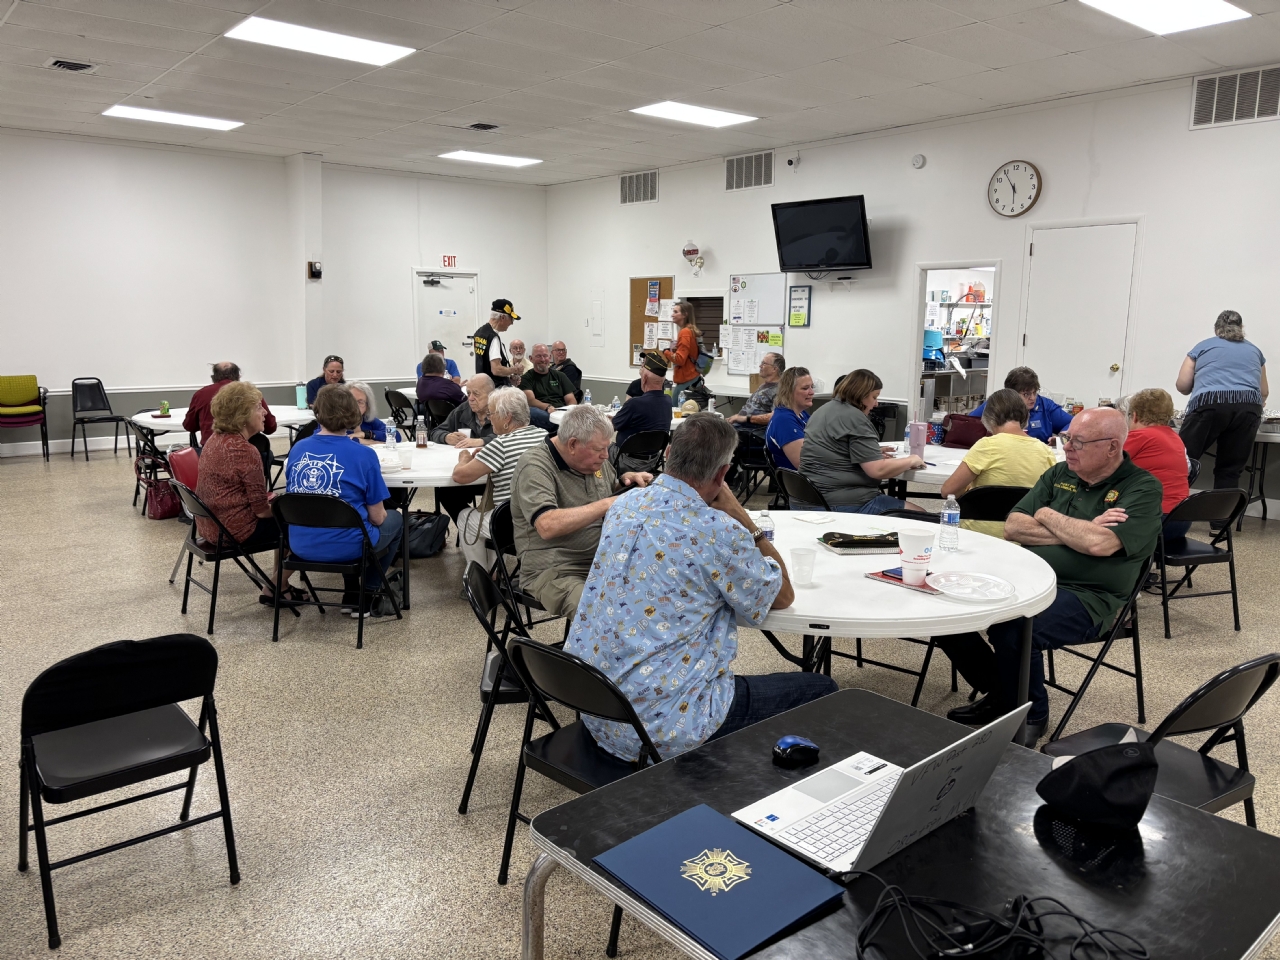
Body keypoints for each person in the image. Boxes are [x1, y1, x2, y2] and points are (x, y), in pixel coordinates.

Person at [566, 414, 836, 761]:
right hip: (662, 729)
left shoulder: (623, 506)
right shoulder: (719, 531)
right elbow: (782, 596)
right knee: (824, 688)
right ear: (723, 475)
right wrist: (742, 517)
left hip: (597, 707)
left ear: (668, 454)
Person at [934, 408, 1162, 746]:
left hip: (1090, 596)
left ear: (1112, 447)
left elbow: (1100, 544)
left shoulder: (1142, 488)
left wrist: (1045, 515)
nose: (1067, 447)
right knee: (945, 609)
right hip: (1027, 578)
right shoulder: (1059, 473)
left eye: (1078, 442)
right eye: (1067, 437)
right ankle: (1003, 694)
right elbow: (1014, 526)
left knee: (1014, 628)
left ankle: (1031, 715)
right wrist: (1079, 528)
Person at [510, 405, 652, 619]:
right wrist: (608, 503)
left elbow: (607, 491)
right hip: (554, 571)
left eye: (607, 447)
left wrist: (626, 482)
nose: (606, 455)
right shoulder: (535, 466)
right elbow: (547, 525)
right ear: (573, 444)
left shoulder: (594, 462)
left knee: (659, 590)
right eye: (598, 449)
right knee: (600, 614)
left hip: (602, 559)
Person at [284, 384, 404, 619]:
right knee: (395, 520)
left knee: (347, 521)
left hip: (300, 543)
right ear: (354, 414)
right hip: (348, 546)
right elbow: (377, 517)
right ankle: (368, 591)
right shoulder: (364, 454)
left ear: (317, 412)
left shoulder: (298, 449)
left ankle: (351, 591)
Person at [194, 381, 301, 607]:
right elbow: (261, 512)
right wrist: (288, 509)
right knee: (300, 525)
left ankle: (279, 586)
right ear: (242, 415)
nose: (264, 412)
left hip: (210, 526)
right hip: (235, 530)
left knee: (283, 519)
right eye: (258, 407)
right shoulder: (245, 451)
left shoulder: (214, 440)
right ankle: (276, 587)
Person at [799, 369, 926, 514]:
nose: (876, 404)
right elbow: (877, 470)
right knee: (922, 516)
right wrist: (911, 460)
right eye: (874, 397)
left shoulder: (822, 411)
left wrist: (869, 453)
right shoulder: (856, 418)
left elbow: (832, 450)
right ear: (861, 395)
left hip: (807, 498)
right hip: (840, 503)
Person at [940, 388, 1057, 538]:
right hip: (1023, 538)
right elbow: (1052, 498)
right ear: (1025, 416)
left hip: (977, 536)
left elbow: (947, 491)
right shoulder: (1045, 451)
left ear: (989, 417)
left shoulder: (986, 446)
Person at [452, 387, 547, 571]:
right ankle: (495, 572)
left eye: (491, 413)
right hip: (541, 516)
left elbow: (460, 476)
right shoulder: (543, 435)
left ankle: (482, 577)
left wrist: (464, 458)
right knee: (490, 515)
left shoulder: (500, 445)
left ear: (507, 417)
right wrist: (487, 454)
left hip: (513, 525)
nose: (489, 418)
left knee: (465, 518)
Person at [1177, 310, 1268, 497]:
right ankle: (1221, 516)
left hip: (1210, 404)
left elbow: (1183, 386)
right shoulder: (1255, 351)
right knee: (1230, 470)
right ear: (1241, 328)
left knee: (1181, 461)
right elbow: (1264, 392)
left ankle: (1170, 509)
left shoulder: (1202, 347)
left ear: (1216, 329)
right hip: (1248, 408)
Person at [1123, 388, 1191, 541]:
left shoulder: (1139, 436)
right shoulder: (1175, 437)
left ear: (1134, 416)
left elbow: (1102, 466)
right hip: (1181, 519)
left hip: (1154, 520)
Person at [184, 362, 277, 449]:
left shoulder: (200, 394)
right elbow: (270, 427)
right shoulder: (250, 393)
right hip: (248, 446)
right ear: (238, 376)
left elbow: (189, 426)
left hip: (211, 447)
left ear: (214, 377)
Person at [971, 367, 1072, 443]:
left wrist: (1062, 437)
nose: (1033, 398)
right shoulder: (996, 404)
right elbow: (968, 423)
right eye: (1026, 394)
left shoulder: (1045, 405)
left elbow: (1072, 423)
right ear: (1011, 394)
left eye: (1035, 392)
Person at [611, 352, 672, 447]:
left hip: (625, 454)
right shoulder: (668, 402)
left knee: (599, 451)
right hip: (655, 454)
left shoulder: (634, 404)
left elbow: (611, 427)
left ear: (644, 378)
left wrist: (604, 420)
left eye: (642, 367)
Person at [765, 366, 814, 471]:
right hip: (801, 478)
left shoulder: (801, 414)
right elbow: (805, 465)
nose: (812, 392)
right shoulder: (784, 420)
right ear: (789, 391)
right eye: (805, 388)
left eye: (812, 387)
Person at [430, 374, 495, 448]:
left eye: (476, 394)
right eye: (468, 393)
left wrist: (482, 441)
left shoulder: (501, 411)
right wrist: (446, 437)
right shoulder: (462, 410)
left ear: (491, 394)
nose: (470, 398)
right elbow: (434, 432)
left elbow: (506, 437)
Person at [728, 352, 785, 430]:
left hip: (751, 430)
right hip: (740, 426)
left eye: (764, 363)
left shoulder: (779, 390)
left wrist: (745, 418)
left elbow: (775, 417)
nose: (760, 366)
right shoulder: (764, 385)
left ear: (774, 369)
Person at [662, 300, 701, 406]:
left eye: (676, 312)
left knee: (674, 411)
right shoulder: (691, 330)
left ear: (684, 315)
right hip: (693, 378)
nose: (672, 315)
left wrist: (666, 352)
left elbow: (680, 359)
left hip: (686, 379)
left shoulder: (684, 332)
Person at [473, 299, 522, 383]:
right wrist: (515, 369)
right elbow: (496, 370)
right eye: (511, 319)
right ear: (502, 317)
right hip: (495, 387)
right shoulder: (493, 337)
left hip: (483, 384)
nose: (512, 323)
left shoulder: (480, 333)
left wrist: (508, 379)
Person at [521, 343, 578, 414]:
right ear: (531, 359)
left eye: (545, 356)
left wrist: (570, 413)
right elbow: (530, 401)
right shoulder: (526, 378)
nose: (542, 359)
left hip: (562, 412)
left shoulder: (560, 376)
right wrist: (547, 407)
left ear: (550, 357)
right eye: (538, 356)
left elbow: (571, 399)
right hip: (542, 411)